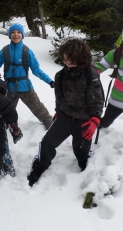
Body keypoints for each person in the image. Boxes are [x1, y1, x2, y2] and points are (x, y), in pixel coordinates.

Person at [27, 38, 104, 187]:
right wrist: (58, 112)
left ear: (81, 58)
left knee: (80, 150)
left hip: (84, 120)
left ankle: (84, 162)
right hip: (65, 117)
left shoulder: (90, 74)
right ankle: (40, 165)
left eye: (71, 59)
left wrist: (94, 120)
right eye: (65, 58)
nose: (67, 62)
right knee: (47, 143)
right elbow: (60, 97)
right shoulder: (60, 76)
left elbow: (97, 99)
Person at [0, 23, 54, 130]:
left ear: (22, 35)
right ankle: (4, 129)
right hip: (8, 88)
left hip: (25, 88)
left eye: (18, 32)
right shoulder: (5, 51)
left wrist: (50, 81)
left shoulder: (27, 51)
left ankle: (52, 127)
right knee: (4, 112)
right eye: (13, 32)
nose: (16, 35)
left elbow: (36, 70)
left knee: (38, 108)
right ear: (9, 35)